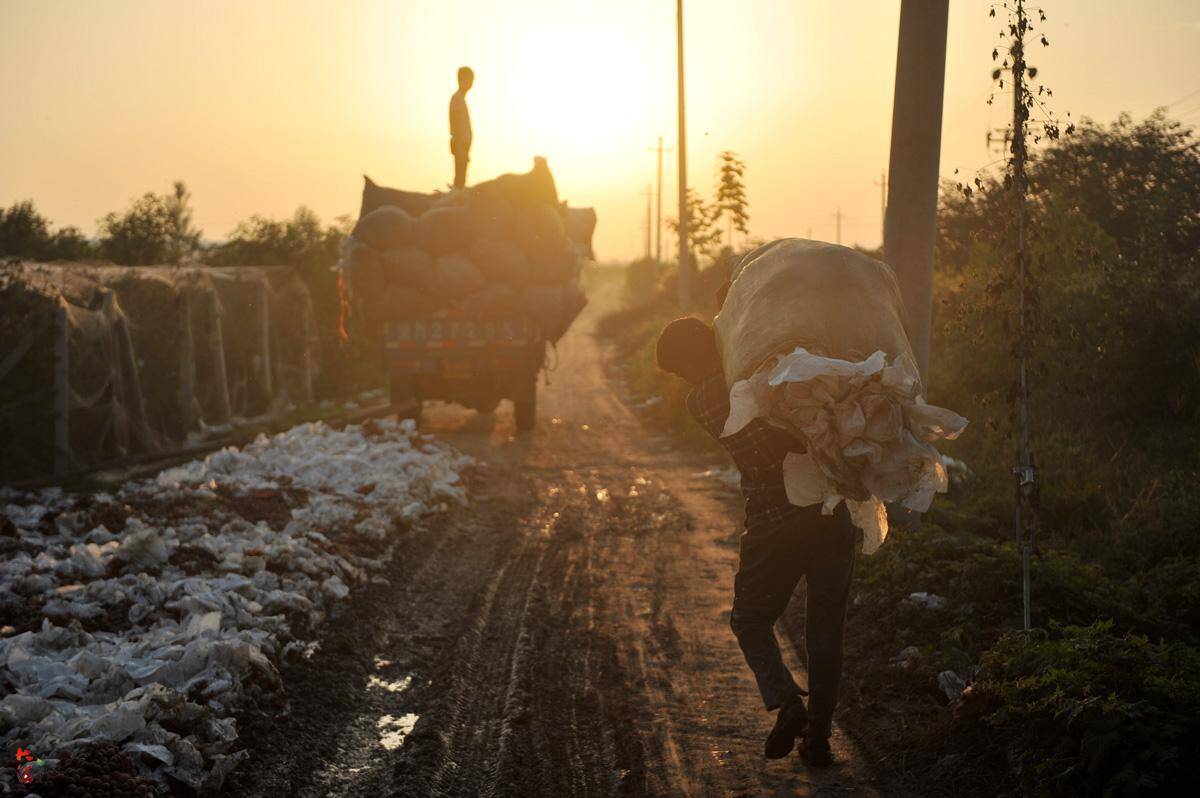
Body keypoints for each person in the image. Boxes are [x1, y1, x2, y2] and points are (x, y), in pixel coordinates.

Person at [655, 316, 859, 767]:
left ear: (691, 362)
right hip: (832, 514)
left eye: (680, 369)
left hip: (775, 523)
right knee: (825, 632)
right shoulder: (774, 376)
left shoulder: (704, 400)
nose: (682, 379)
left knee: (749, 619)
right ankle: (820, 739)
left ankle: (788, 704)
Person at [449, 66, 474, 189]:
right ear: (461, 80)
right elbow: (456, 123)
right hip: (460, 144)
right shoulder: (457, 99)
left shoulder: (460, 99)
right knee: (459, 180)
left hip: (463, 145)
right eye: (469, 80)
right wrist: (460, 146)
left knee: (461, 179)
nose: (471, 83)